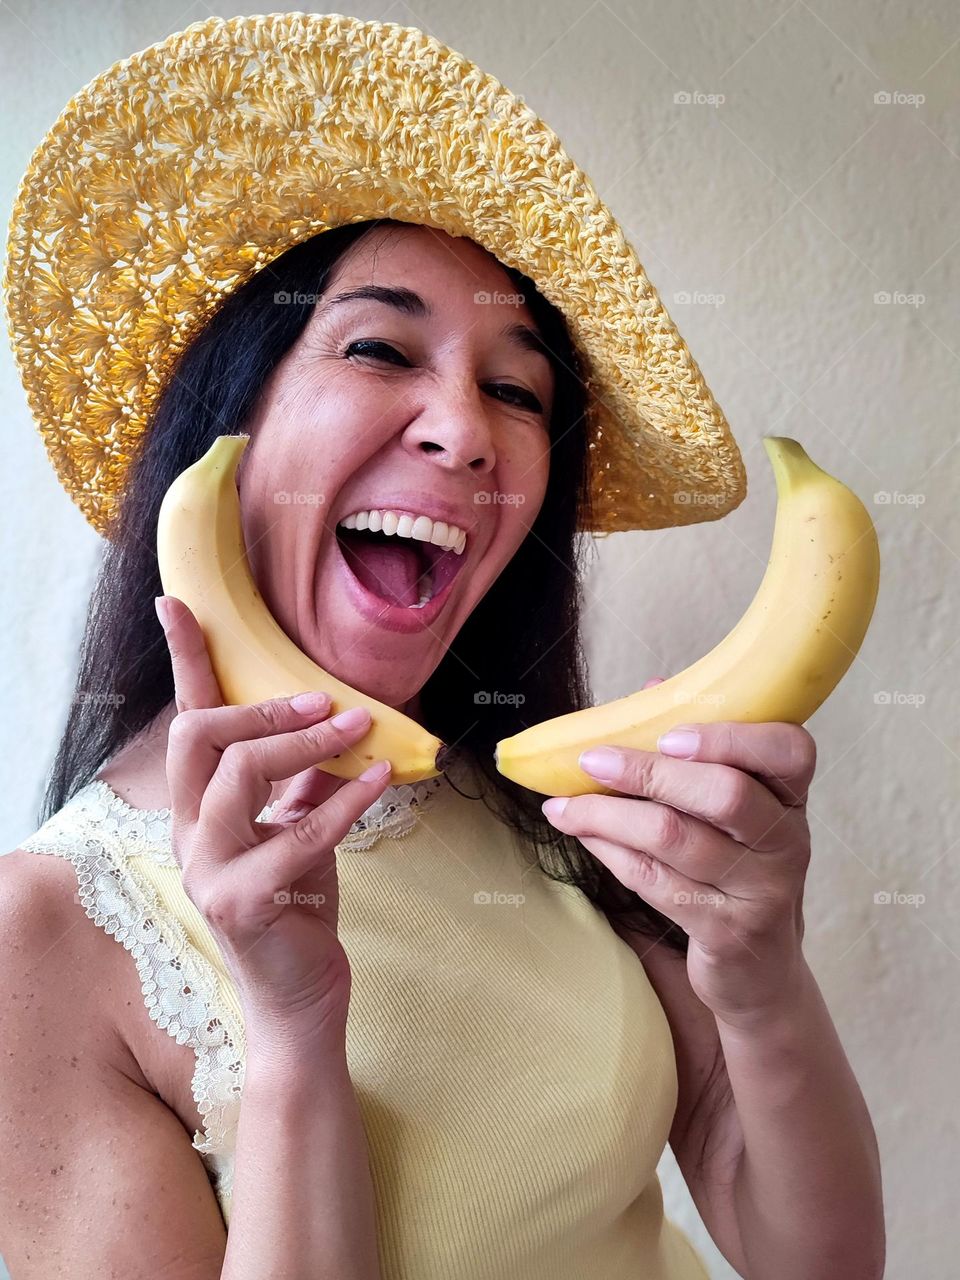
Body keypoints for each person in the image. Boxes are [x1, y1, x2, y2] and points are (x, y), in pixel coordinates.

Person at [0, 13, 884, 1280]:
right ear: (225, 424)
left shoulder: (549, 795)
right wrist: (296, 1029)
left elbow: (822, 1258)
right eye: (380, 347)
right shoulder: (40, 934)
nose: (467, 434)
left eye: (518, 391)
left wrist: (759, 973)